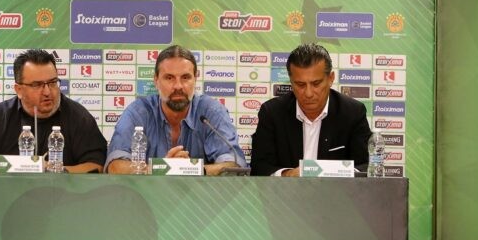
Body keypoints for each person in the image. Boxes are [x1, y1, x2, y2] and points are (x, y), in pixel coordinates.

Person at [0, 49, 106, 173]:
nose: (47, 92)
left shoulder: (79, 117)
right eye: (37, 85)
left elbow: (96, 166)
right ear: (19, 90)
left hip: (61, 196)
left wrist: (54, 170)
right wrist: (11, 169)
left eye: (52, 83)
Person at [106, 45, 246, 175]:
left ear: (195, 79)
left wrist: (190, 169)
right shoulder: (138, 112)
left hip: (199, 193)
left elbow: (233, 165)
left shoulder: (211, 111)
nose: (178, 86)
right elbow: (115, 166)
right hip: (147, 193)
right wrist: (164, 168)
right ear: (156, 80)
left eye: (185, 77)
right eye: (169, 78)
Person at [250, 43, 372, 176]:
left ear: (330, 79)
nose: (308, 93)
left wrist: (338, 174)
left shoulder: (352, 112)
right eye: (300, 84)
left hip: (336, 189)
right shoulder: (272, 112)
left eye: (316, 84)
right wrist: (287, 175)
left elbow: (365, 166)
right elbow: (259, 167)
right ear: (291, 81)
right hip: (286, 189)